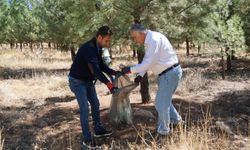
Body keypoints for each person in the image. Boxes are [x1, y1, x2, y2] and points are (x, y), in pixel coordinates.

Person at [121, 23, 183, 136]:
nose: (134, 40)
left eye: (135, 37)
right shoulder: (151, 40)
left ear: (142, 33)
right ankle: (176, 121)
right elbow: (148, 60)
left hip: (169, 74)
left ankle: (163, 132)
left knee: (160, 103)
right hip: (166, 74)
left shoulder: (154, 40)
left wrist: (129, 69)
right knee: (165, 101)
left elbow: (148, 62)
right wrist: (140, 75)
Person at [68, 26, 120, 148]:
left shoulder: (98, 48)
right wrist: (109, 85)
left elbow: (100, 65)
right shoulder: (88, 49)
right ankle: (87, 139)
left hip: (88, 81)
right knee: (85, 108)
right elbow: (96, 71)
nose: (108, 43)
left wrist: (113, 72)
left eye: (109, 41)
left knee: (95, 104)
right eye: (106, 40)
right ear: (99, 37)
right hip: (77, 81)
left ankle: (98, 130)